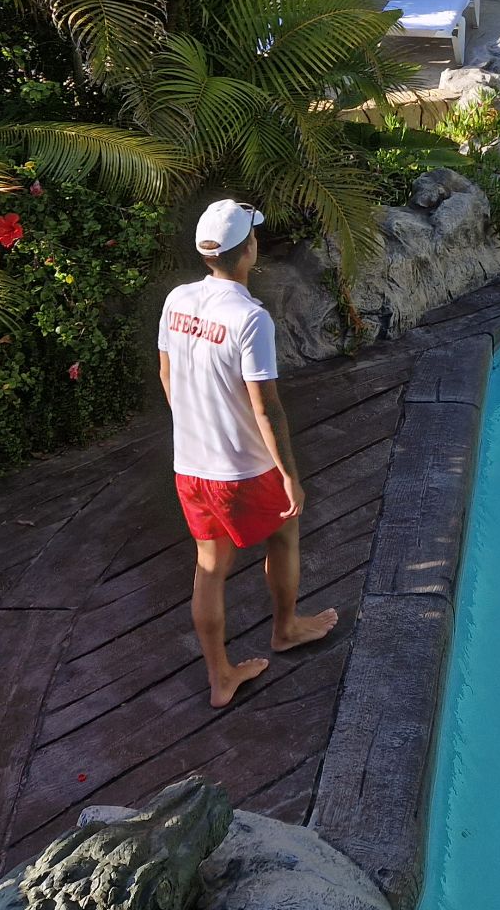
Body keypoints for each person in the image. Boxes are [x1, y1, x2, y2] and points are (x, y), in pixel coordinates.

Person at [159, 199, 339, 708]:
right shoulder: (250, 318)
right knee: (284, 534)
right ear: (249, 251)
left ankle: (220, 676)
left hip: (190, 465)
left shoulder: (177, 300)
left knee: (210, 566)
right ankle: (286, 629)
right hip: (240, 468)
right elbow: (268, 408)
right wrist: (290, 476)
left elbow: (167, 375)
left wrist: (193, 428)